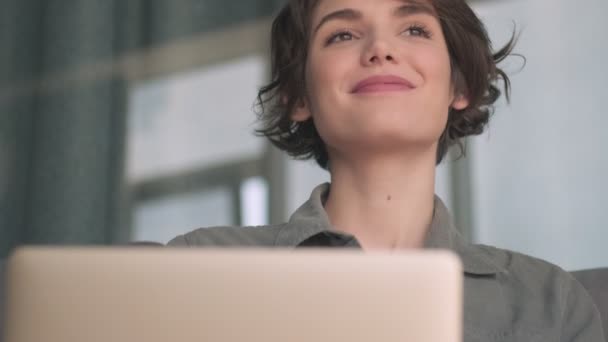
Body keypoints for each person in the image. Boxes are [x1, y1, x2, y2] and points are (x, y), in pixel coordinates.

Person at [168, 0, 605, 340]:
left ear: (461, 85)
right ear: (299, 96)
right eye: (341, 35)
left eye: (414, 29)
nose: (380, 49)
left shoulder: (551, 303)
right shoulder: (196, 267)